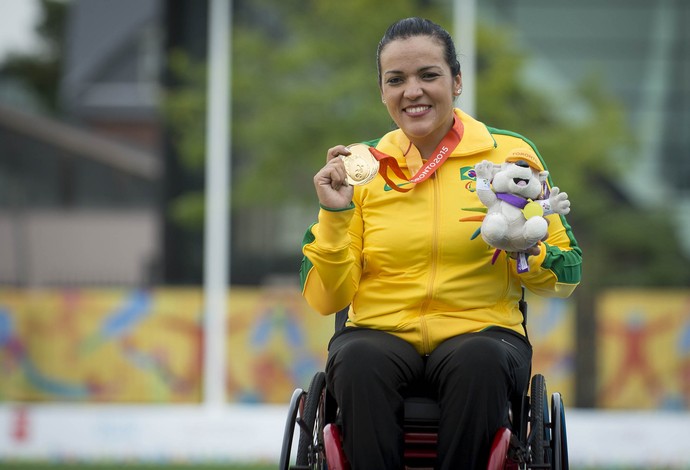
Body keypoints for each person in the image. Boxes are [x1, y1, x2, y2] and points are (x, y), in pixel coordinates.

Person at [299, 17, 582, 469]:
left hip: (483, 333)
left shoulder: (510, 155)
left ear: (456, 81)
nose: (412, 91)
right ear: (383, 92)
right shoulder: (360, 166)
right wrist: (335, 215)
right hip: (380, 332)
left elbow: (569, 274)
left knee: (478, 359)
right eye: (397, 80)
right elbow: (325, 297)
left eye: (428, 75)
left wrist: (527, 249)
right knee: (358, 359)